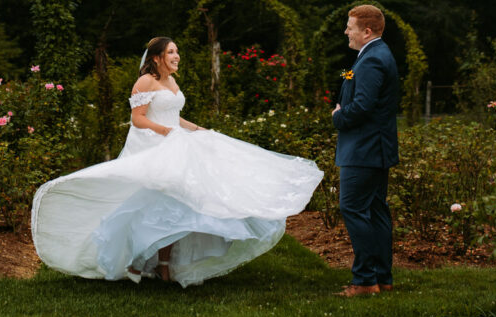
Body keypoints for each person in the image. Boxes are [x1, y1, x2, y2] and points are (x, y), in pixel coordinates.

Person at [31, 36, 323, 287]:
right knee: (155, 204)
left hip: (176, 144)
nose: (176, 56)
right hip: (153, 148)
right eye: (171, 52)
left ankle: (163, 265)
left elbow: (174, 115)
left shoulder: (171, 80)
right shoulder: (146, 80)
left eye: (176, 51)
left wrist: (196, 129)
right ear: (157, 57)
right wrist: (168, 133)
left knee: (178, 206)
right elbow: (138, 118)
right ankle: (138, 260)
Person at [331, 5, 399, 297]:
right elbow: (352, 86)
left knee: (354, 209)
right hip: (374, 148)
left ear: (366, 31)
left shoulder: (372, 60)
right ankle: (382, 278)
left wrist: (338, 116)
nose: (346, 31)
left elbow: (362, 107)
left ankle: (364, 281)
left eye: (350, 26)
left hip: (364, 148)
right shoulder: (371, 56)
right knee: (375, 211)